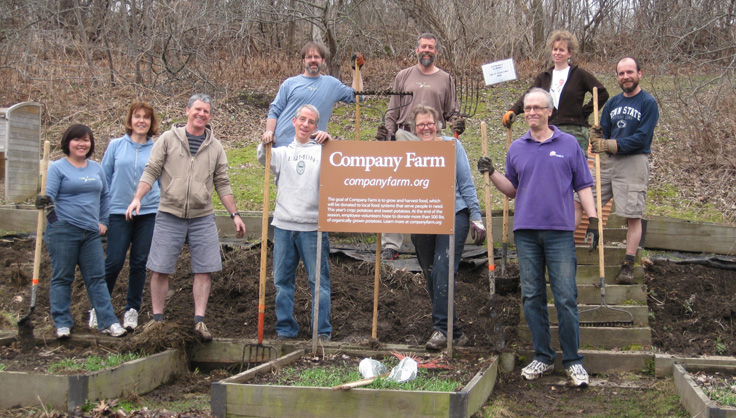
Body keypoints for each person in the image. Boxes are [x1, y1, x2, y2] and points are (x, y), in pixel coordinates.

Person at [480, 88, 599, 387]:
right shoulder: (517, 148)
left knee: (566, 297)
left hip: (559, 232)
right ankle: (543, 356)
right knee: (532, 297)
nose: (531, 112)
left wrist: (593, 219)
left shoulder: (569, 144)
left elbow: (584, 184)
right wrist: (493, 173)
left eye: (537, 107)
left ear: (549, 111)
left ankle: (573, 361)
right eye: (528, 108)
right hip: (526, 233)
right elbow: (512, 189)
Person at [125, 93, 246, 342]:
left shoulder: (216, 147)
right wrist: (138, 197)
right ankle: (157, 320)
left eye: (206, 111)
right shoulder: (168, 140)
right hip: (169, 213)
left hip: (202, 216)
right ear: (187, 110)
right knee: (160, 267)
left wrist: (234, 214)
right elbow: (152, 170)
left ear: (210, 116)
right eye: (197, 109)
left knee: (204, 269)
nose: (201, 114)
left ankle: (199, 322)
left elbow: (222, 182)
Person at [376, 33, 464, 260]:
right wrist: (388, 134)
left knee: (435, 190)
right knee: (395, 189)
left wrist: (456, 123)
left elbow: (451, 111)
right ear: (416, 50)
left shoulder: (446, 78)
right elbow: (392, 110)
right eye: (423, 46)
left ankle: (432, 238)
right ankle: (391, 244)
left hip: (434, 139)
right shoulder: (403, 76)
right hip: (406, 135)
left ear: (436, 51)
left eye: (431, 47)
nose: (427, 50)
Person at [406, 104, 485, 350]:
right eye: (421, 124)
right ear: (414, 128)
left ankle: (440, 329)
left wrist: (476, 214)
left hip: (453, 213)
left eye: (430, 123)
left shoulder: (452, 145)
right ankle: (456, 332)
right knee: (430, 272)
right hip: (422, 215)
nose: (426, 127)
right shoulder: (409, 152)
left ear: (438, 123)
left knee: (443, 268)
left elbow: (466, 181)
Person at [36, 124, 126, 339]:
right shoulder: (57, 168)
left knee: (97, 278)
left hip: (90, 233)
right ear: (68, 142)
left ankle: (109, 322)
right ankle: (62, 323)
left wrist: (103, 220)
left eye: (86, 140)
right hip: (63, 231)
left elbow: (105, 196)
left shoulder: (95, 168)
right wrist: (50, 214)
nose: (82, 144)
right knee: (63, 277)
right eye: (77, 140)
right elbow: (49, 198)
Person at [257, 104, 332, 341]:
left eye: (311, 122)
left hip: (313, 227)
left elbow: (340, 163)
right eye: (302, 119)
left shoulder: (323, 152)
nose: (305, 125)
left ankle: (321, 331)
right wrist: (266, 140)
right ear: (294, 121)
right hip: (284, 225)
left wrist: (330, 143)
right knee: (282, 282)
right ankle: (285, 329)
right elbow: (263, 157)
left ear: (315, 126)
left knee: (318, 282)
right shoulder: (282, 153)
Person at [588, 57, 659, 284]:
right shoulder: (612, 103)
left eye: (630, 72)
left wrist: (610, 145)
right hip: (609, 163)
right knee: (582, 197)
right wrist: (598, 136)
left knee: (632, 215)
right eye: (621, 73)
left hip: (633, 161)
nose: (625, 76)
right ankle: (575, 242)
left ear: (640, 73)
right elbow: (604, 132)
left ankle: (628, 264)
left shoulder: (648, 103)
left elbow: (642, 138)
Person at [93, 101, 161, 332]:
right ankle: (99, 308)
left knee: (139, 262)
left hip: (149, 211)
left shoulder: (157, 148)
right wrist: (101, 213)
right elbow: (104, 179)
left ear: (151, 122)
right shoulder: (115, 146)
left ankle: (132, 309)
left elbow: (162, 180)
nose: (141, 121)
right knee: (113, 261)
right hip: (118, 211)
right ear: (130, 120)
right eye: (137, 116)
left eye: (146, 117)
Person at [503, 30, 608, 152]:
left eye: (562, 50)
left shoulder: (579, 75)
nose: (557, 53)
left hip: (575, 131)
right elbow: (528, 96)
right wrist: (513, 110)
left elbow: (602, 93)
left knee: (574, 167)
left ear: (570, 53)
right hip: (549, 129)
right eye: (555, 49)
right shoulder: (544, 77)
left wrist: (583, 112)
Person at [263, 41, 363, 148]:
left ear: (323, 61)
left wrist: (355, 69)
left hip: (312, 148)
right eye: (309, 57)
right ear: (303, 60)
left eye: (316, 57)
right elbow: (275, 110)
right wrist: (269, 132)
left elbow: (357, 96)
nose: (313, 60)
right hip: (283, 146)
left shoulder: (331, 84)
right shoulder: (290, 83)